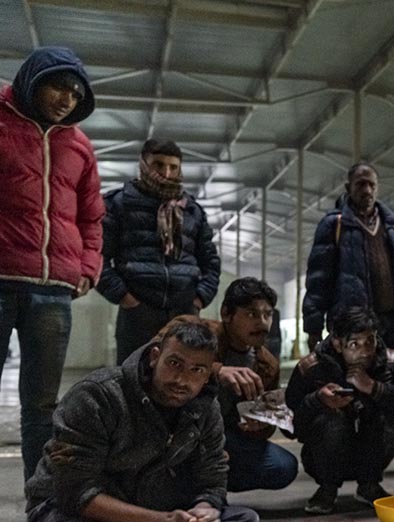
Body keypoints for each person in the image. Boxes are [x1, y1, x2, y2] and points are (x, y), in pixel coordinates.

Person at [24, 319, 260, 522]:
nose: (182, 380)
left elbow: (213, 475)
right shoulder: (99, 395)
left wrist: (204, 510)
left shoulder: (206, 407)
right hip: (70, 511)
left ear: (208, 374)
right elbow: (76, 494)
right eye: (174, 363)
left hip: (151, 507)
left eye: (197, 370)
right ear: (154, 357)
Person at [0, 47, 104, 482]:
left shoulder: (79, 144)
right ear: (32, 80)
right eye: (59, 85)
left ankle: (39, 500)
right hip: (2, 280)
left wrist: (88, 266)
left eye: (77, 92)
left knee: (42, 405)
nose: (68, 98)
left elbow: (91, 214)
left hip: (54, 289)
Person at [302, 162, 394, 475]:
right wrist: (313, 324)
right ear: (348, 187)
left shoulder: (393, 225)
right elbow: (319, 276)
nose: (367, 190)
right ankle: (346, 458)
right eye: (360, 184)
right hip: (355, 326)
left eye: (372, 184)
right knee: (349, 385)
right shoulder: (334, 224)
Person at [286, 306, 394, 514]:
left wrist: (376, 389)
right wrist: (318, 400)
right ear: (337, 343)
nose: (365, 352)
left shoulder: (390, 362)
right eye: (354, 344)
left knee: (391, 412)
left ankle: (369, 485)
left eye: (370, 342)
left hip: (373, 453)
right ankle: (327, 488)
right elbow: (290, 426)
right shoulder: (312, 368)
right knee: (331, 420)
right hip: (322, 457)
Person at [157, 278, 297, 493]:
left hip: (222, 437)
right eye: (252, 314)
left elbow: (263, 427)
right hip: (173, 428)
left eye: (267, 314)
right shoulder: (190, 328)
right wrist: (216, 371)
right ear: (226, 313)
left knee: (282, 466)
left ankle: (204, 486)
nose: (262, 323)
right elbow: (149, 360)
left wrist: (258, 425)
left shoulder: (267, 364)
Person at [96, 139, 221, 364]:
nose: (166, 172)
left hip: (184, 309)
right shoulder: (119, 204)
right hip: (137, 311)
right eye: (158, 164)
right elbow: (98, 256)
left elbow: (211, 262)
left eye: (173, 167)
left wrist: (199, 299)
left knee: (184, 374)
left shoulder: (192, 211)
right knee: (134, 376)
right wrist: (124, 297)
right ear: (143, 165)